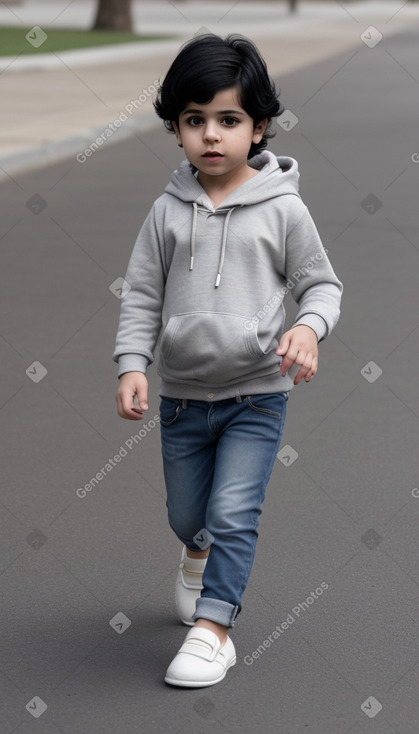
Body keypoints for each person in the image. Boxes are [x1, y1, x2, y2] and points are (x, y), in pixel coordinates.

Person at [113, 33, 343, 688]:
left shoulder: (283, 209)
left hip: (255, 395)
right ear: (177, 128)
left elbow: (322, 286)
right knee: (190, 517)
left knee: (234, 511)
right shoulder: (165, 212)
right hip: (184, 398)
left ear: (259, 126)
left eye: (228, 120)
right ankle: (194, 553)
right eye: (194, 121)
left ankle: (213, 630)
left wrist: (306, 328)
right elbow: (140, 296)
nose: (210, 136)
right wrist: (132, 363)